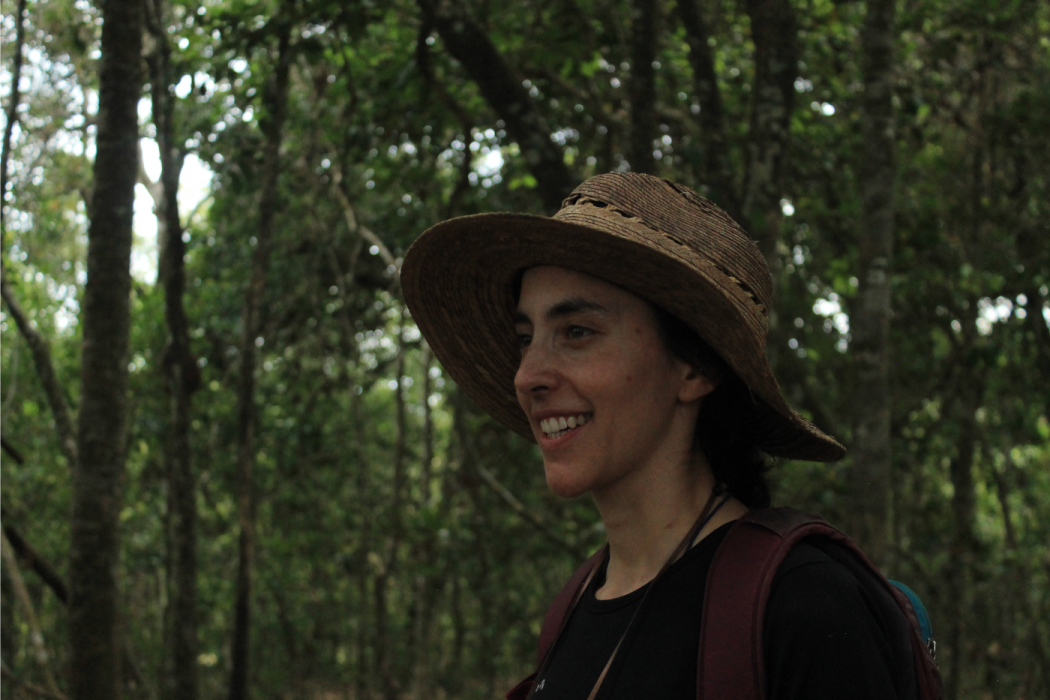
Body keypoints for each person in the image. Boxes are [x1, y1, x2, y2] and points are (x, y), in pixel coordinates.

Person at [400, 172, 920, 699]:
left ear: (694, 369)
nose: (527, 375)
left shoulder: (803, 604)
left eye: (576, 332)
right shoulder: (575, 606)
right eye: (525, 338)